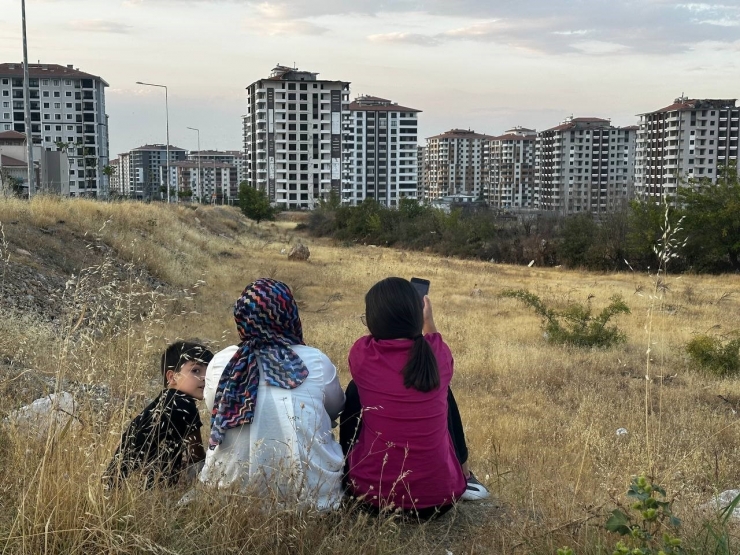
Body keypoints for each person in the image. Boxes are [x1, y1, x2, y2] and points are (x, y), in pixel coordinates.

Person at [340, 277, 489, 519]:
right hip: (441, 501)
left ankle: (344, 467)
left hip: (372, 498)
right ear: (419, 315)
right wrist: (428, 320)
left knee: (356, 389)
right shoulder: (437, 354)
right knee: (440, 388)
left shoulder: (362, 356)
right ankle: (466, 474)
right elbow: (431, 342)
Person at [199, 278, 345, 511]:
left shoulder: (221, 363)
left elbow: (213, 410)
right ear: (290, 315)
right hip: (313, 500)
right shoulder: (316, 362)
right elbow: (336, 409)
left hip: (229, 500)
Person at [105, 341, 213, 488]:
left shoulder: (160, 402)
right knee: (206, 467)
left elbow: (123, 440)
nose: (204, 377)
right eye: (196, 371)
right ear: (172, 377)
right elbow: (197, 454)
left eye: (209, 372)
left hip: (118, 479)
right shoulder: (185, 405)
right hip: (152, 485)